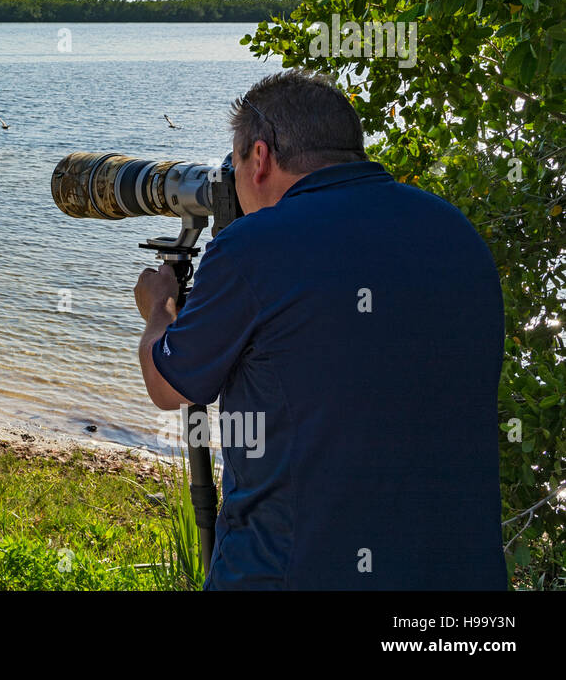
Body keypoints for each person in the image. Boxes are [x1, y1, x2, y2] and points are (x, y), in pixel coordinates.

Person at [133, 70, 507, 590]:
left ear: (259, 157)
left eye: (235, 163)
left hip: (291, 570)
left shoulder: (253, 247)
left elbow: (168, 385)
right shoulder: (453, 231)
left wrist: (158, 308)